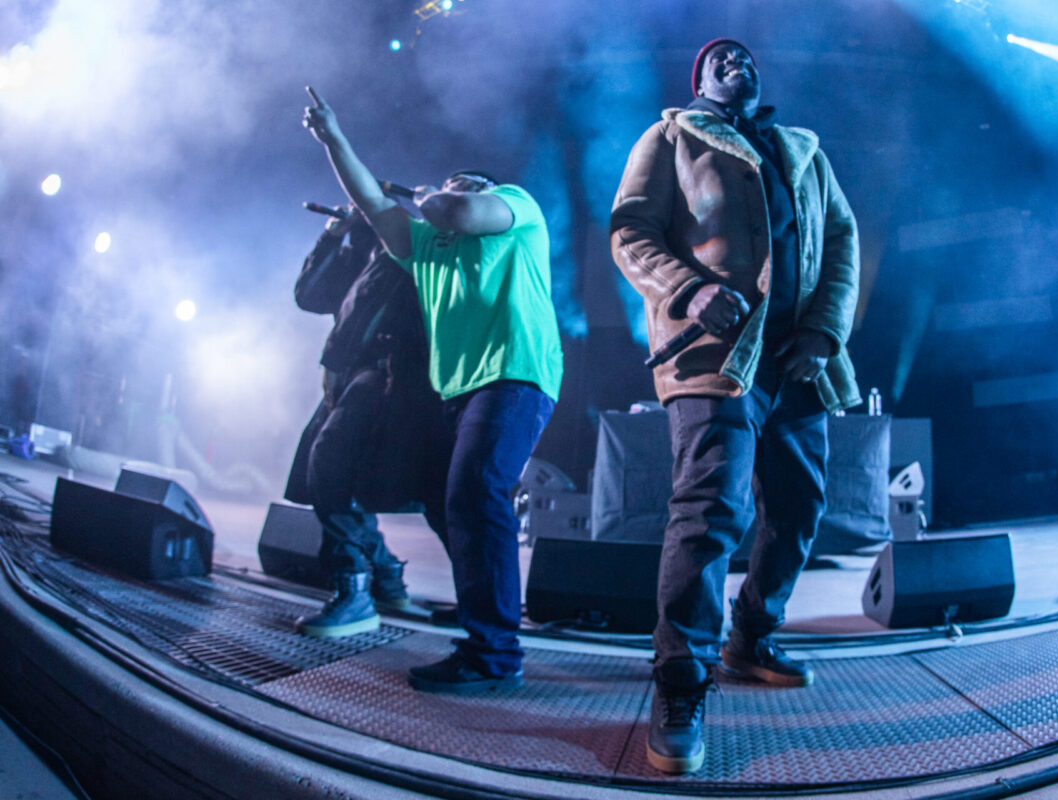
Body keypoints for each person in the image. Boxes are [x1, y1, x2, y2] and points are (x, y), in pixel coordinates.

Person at [610, 39, 862, 773]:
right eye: (721, 58)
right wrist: (690, 290)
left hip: (797, 360)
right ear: (698, 79)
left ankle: (751, 635)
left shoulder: (802, 151)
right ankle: (681, 682)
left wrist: (822, 331)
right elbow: (630, 230)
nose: (737, 63)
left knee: (800, 506)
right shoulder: (671, 136)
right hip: (713, 359)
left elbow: (841, 240)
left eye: (748, 57)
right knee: (713, 506)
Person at [303, 87, 562, 693]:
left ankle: (494, 651)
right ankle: (486, 627)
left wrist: (435, 197)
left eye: (466, 181)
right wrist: (334, 140)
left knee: (477, 489)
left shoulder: (514, 210)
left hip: (516, 374)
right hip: (460, 389)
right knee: (456, 500)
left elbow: (461, 211)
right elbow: (370, 201)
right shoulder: (425, 247)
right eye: (450, 182)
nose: (455, 187)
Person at [284, 206, 449, 638]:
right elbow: (310, 296)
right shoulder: (365, 249)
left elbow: (367, 308)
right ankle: (383, 576)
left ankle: (356, 591)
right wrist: (332, 235)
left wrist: (334, 362)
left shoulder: (411, 244)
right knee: (328, 473)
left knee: (331, 465)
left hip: (391, 376)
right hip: (361, 377)